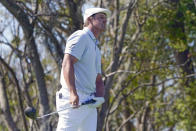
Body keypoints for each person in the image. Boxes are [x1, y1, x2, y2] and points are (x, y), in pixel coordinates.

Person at [56, 7, 110, 131]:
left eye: (105, 18)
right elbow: (67, 63)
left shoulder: (95, 46)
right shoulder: (81, 36)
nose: (105, 21)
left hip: (89, 102)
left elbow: (98, 78)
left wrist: (100, 97)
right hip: (74, 98)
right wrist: (72, 93)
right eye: (101, 17)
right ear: (90, 19)